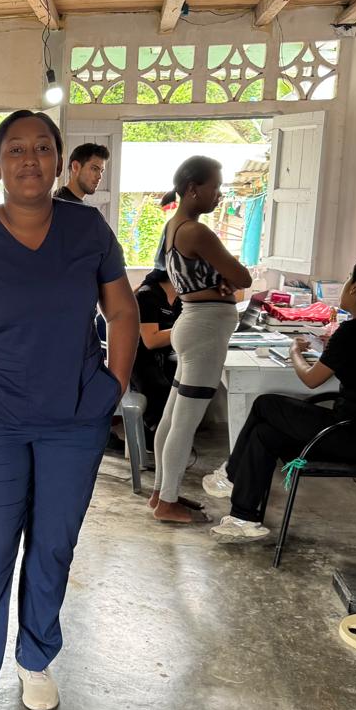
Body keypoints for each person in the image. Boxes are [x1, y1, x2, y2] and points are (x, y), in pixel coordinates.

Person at [0, 110, 138, 710]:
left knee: (52, 546)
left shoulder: (87, 229)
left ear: (58, 160)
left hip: (73, 420)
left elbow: (122, 309)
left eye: (42, 148)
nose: (29, 159)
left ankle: (36, 657)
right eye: (15, 149)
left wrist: (114, 385)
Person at [204, 258, 356, 541]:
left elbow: (312, 379)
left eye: (349, 278)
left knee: (266, 404)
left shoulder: (353, 332)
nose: (346, 285)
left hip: (349, 435)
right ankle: (243, 519)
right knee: (265, 433)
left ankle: (231, 475)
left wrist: (294, 351)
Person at [149, 156, 252, 523]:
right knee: (185, 421)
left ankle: (161, 492)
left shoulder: (174, 226)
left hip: (193, 323)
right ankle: (167, 502)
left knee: (173, 415)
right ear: (193, 188)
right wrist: (229, 279)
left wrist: (223, 280)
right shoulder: (196, 231)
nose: (219, 194)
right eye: (215, 187)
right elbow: (243, 277)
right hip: (204, 329)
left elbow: (219, 277)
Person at [131, 266, 182, 449]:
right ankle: (155, 438)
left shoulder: (179, 299)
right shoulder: (147, 295)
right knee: (162, 391)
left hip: (164, 356)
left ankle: (168, 435)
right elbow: (151, 341)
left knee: (184, 386)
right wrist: (187, 327)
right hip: (138, 359)